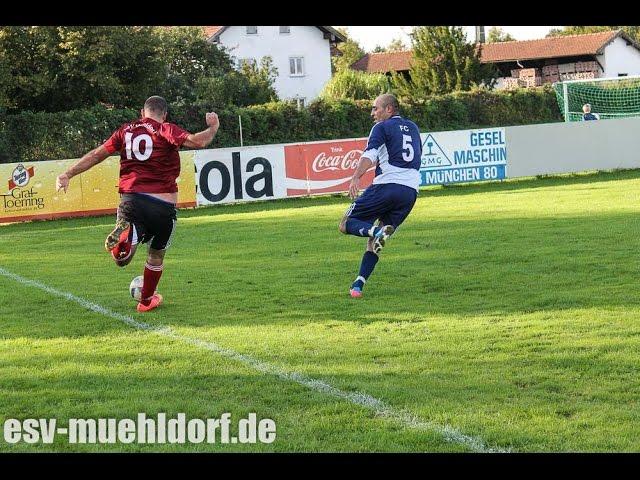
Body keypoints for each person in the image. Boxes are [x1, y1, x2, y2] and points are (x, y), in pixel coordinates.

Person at [56, 96, 219, 312]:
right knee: (156, 255)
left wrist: (68, 173)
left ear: (143, 112)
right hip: (163, 206)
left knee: (122, 260)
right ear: (165, 115)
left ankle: (126, 236)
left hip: (132, 201)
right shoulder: (166, 129)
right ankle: (146, 301)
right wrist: (213, 127)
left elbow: (97, 154)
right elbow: (199, 141)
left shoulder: (126, 130)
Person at [338, 93, 422, 298]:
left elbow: (370, 155)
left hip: (387, 186)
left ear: (389, 109)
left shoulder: (381, 127)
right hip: (410, 192)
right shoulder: (413, 127)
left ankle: (375, 231)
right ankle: (358, 284)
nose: (372, 113)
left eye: (376, 108)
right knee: (377, 241)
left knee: (345, 224)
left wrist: (356, 177)